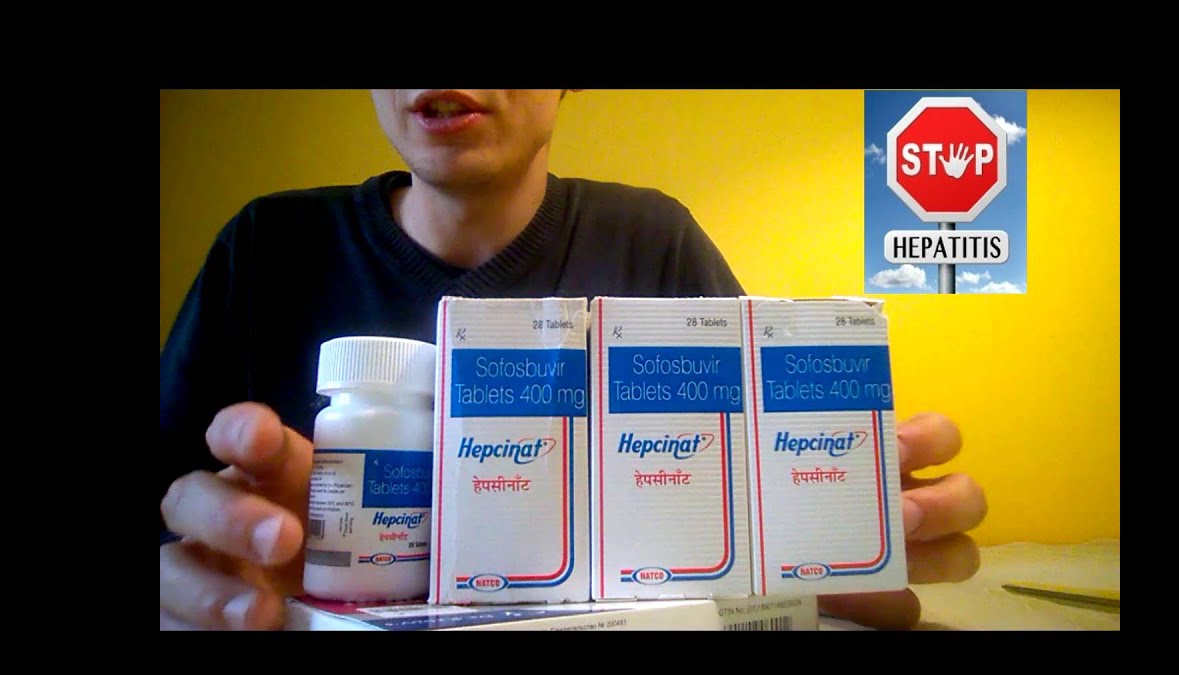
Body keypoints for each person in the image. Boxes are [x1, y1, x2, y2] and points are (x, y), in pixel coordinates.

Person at [159, 89, 987, 631]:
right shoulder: (267, 249)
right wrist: (217, 572)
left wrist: (841, 541)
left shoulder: (655, 244)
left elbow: (777, 535)